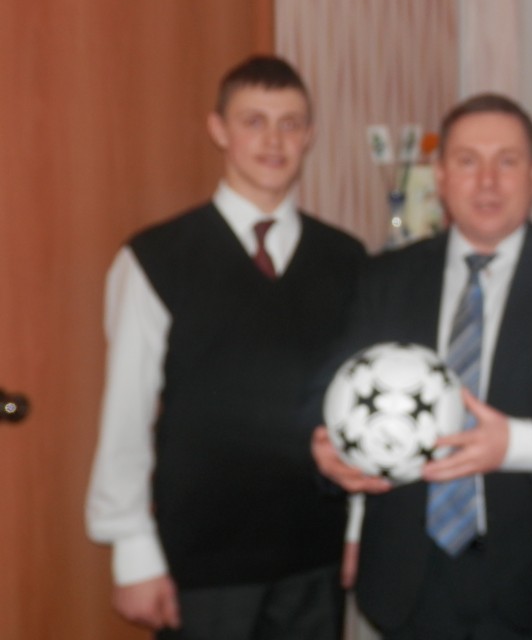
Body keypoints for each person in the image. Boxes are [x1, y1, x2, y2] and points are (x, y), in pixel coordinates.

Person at [311, 93, 532, 640]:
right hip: (408, 585)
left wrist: (514, 444)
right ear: (441, 176)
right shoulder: (384, 278)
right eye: (468, 161)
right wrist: (326, 450)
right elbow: (328, 389)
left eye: (507, 161)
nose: (487, 181)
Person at [86, 55, 366, 640]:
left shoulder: (345, 259)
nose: (274, 141)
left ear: (309, 135)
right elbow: (127, 410)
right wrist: (131, 548)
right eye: (254, 121)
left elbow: (360, 405)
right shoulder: (157, 258)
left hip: (313, 552)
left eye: (290, 123)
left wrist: (357, 528)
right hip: (202, 560)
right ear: (219, 129)